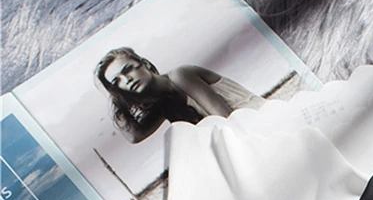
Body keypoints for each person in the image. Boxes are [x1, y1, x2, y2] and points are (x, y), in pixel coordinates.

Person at [95, 47, 264, 144]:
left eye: (128, 69)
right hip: (239, 135)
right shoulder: (164, 103)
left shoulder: (179, 75)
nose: (127, 80)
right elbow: (134, 136)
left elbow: (227, 119)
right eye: (117, 81)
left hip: (256, 122)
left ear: (144, 63)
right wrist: (115, 95)